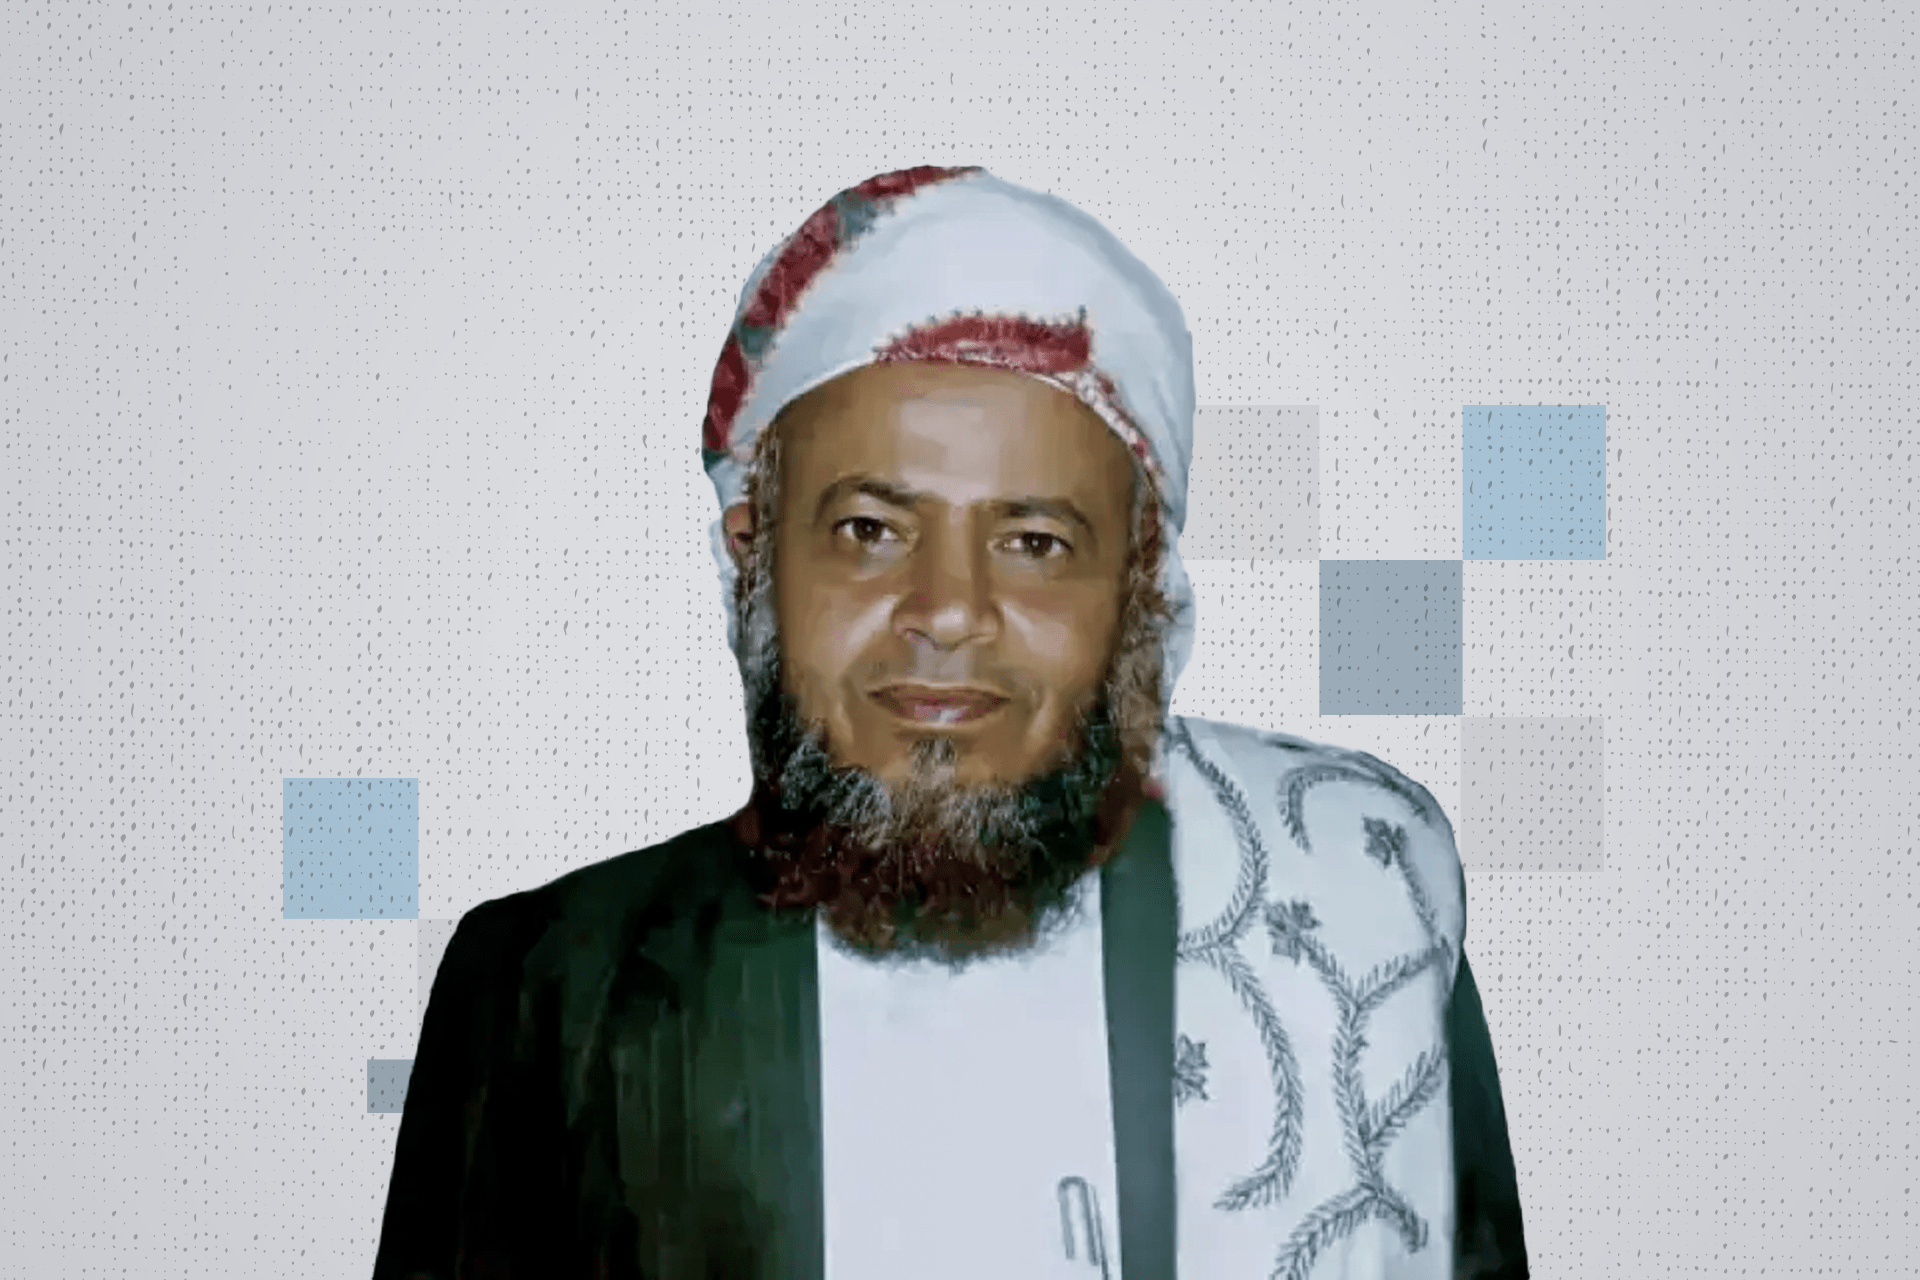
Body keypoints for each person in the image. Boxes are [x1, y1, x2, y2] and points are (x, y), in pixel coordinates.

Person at [372, 166, 1528, 1279]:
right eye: (870, 529)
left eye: (1034, 541)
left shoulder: (1354, 914)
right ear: (753, 555)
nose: (948, 610)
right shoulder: (547, 988)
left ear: (1138, 590)